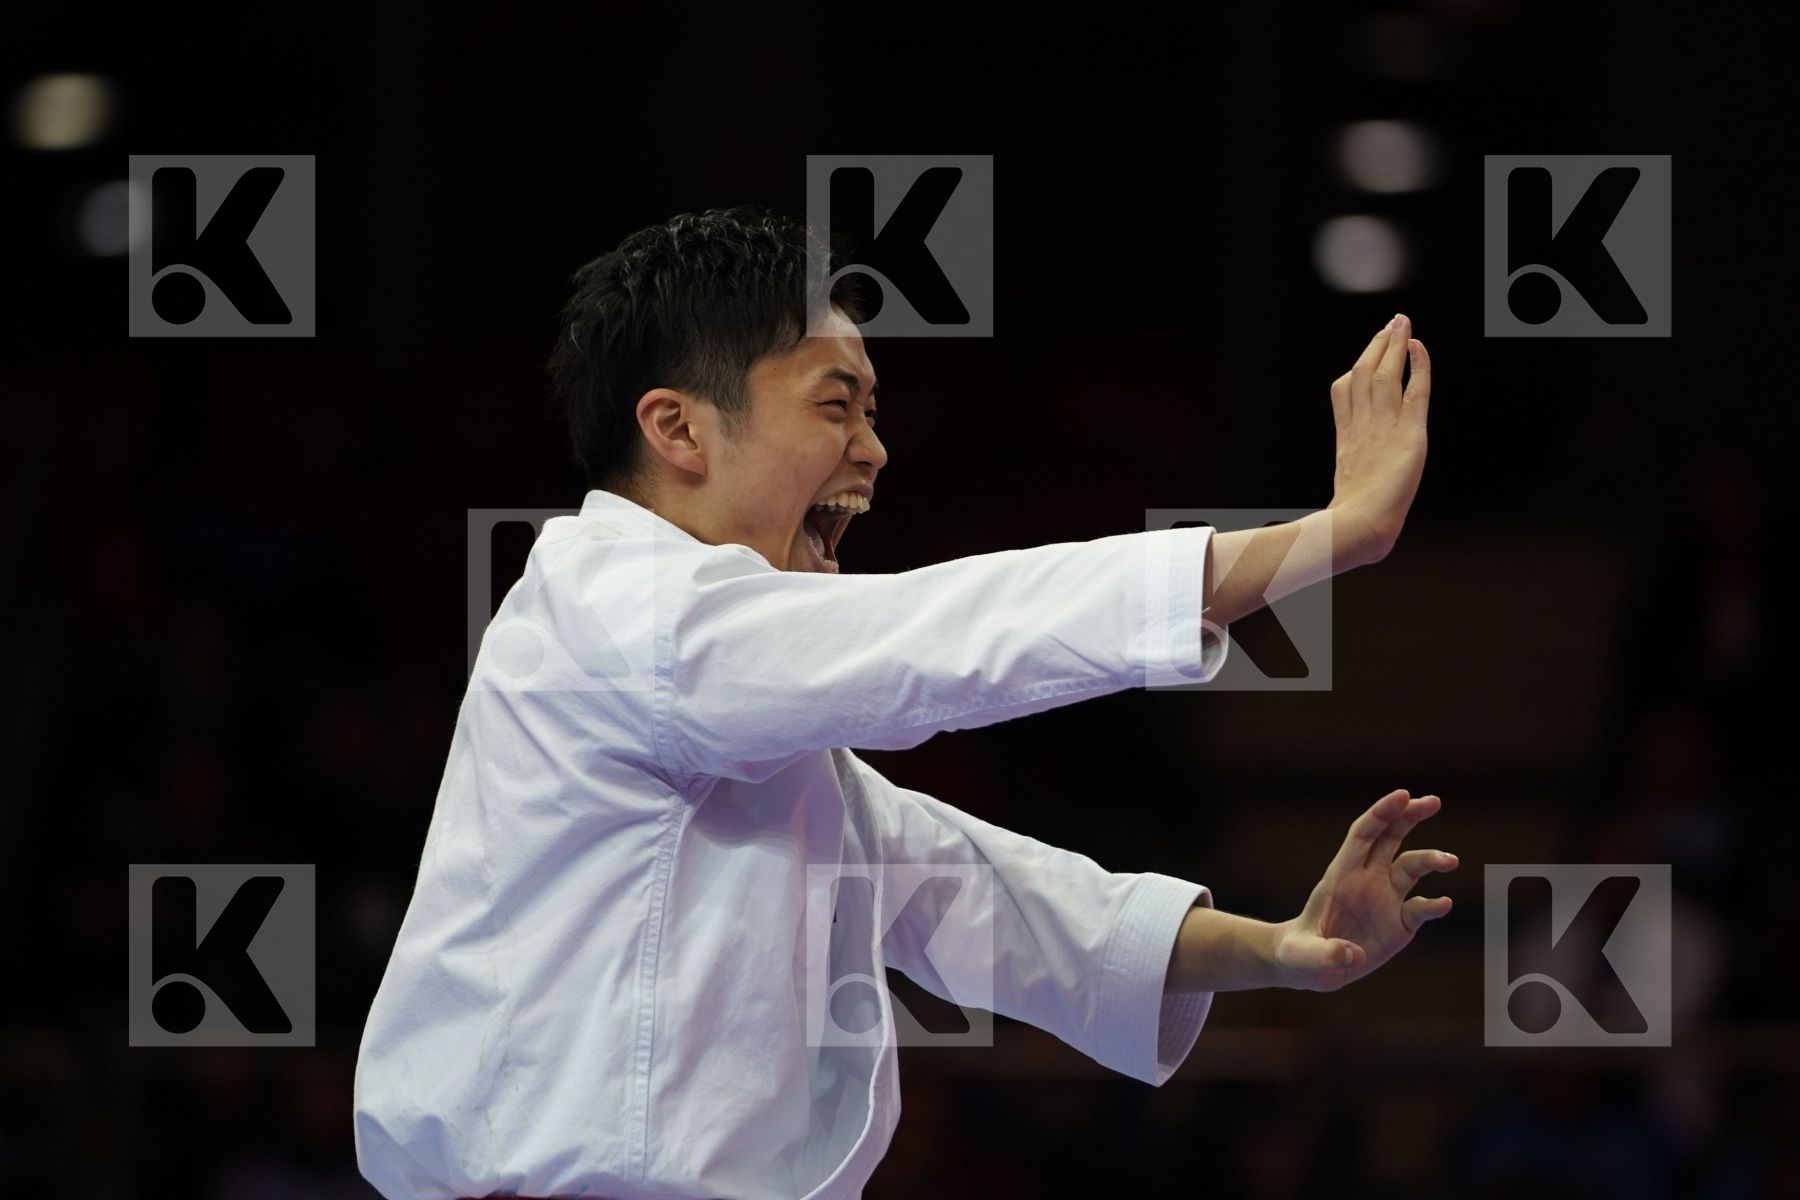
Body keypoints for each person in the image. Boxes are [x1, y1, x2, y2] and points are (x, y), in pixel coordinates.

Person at [352, 205, 1456, 1200]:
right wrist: (1328, 537)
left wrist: (1280, 945)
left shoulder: (739, 716)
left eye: (873, 412)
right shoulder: (618, 610)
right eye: (836, 406)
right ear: (679, 429)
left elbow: (997, 904)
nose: (873, 452)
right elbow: (943, 636)